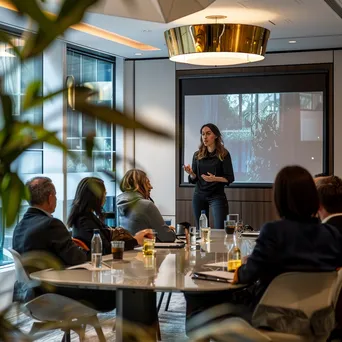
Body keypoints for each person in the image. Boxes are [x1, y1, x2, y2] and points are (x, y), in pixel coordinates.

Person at [186, 165, 342, 333]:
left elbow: (247, 275)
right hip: (316, 324)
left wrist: (244, 264)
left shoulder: (274, 231)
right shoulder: (332, 234)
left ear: (279, 198)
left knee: (197, 294)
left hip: (269, 319)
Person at [13, 176, 87, 266]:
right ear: (50, 198)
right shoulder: (52, 224)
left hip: (29, 279)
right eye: (55, 195)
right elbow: (78, 258)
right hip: (52, 278)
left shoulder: (19, 226)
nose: (56, 199)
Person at [68, 177, 153, 254]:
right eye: (104, 194)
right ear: (95, 197)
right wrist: (135, 241)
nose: (105, 198)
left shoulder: (84, 218)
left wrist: (134, 238)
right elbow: (106, 249)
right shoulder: (85, 221)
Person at [184, 123, 234, 230]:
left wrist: (215, 178)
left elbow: (230, 178)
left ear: (215, 135)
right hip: (199, 195)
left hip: (217, 196)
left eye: (208, 133)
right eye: (203, 134)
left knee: (220, 230)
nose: (205, 137)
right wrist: (191, 173)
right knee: (201, 231)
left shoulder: (224, 154)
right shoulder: (197, 155)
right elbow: (194, 180)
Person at [116, 169, 176, 242]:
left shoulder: (118, 204)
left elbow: (136, 228)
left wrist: (161, 230)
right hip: (145, 251)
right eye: (147, 183)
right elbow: (168, 238)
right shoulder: (146, 205)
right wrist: (169, 231)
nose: (151, 187)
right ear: (138, 186)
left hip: (126, 251)